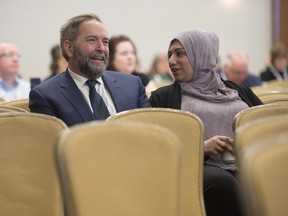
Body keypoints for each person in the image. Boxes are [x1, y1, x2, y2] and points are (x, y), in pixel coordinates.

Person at [149, 29, 263, 216]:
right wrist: (200, 149)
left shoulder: (238, 90)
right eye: (169, 54)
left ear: (203, 55)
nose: (171, 61)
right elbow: (157, 150)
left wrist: (246, 145)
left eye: (180, 53)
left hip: (246, 163)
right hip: (198, 170)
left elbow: (264, 124)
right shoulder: (163, 98)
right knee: (221, 181)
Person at [29, 13, 150, 127]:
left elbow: (151, 135)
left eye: (105, 42)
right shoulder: (46, 96)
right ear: (69, 48)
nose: (101, 48)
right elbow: (50, 147)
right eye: (92, 40)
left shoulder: (132, 85)